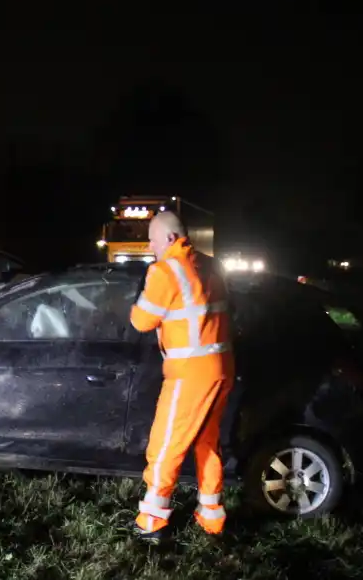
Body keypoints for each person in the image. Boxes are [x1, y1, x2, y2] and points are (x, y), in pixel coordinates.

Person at [128, 211, 235, 542]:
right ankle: (211, 517)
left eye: (153, 238)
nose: (149, 245)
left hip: (190, 373)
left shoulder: (165, 271)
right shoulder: (211, 264)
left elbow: (141, 321)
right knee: (208, 442)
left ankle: (152, 521)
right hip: (222, 367)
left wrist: (139, 301)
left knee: (165, 447)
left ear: (171, 239)